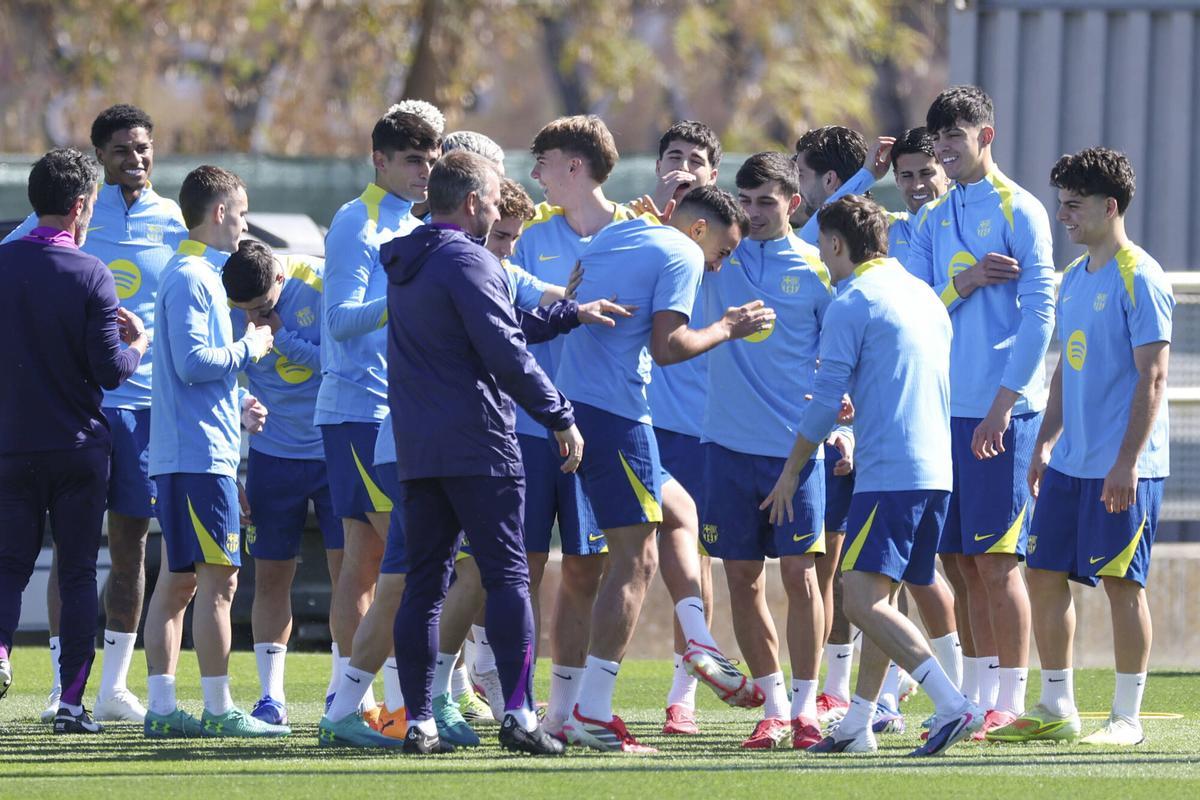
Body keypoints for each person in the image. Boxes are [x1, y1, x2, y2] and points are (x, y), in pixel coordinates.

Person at [555, 185, 772, 753]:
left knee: (681, 510)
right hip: (615, 411)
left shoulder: (621, 232)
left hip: (578, 402)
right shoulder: (680, 253)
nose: (718, 265)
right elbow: (669, 345)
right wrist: (728, 327)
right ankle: (594, 712)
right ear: (698, 230)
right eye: (722, 252)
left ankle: (698, 642)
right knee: (635, 558)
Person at [764, 194, 981, 756]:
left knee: (858, 600)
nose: (822, 259)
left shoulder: (851, 300)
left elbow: (822, 402)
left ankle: (953, 705)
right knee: (879, 598)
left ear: (836, 244)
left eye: (822, 248)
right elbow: (898, 377)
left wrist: (791, 473)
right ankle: (859, 722)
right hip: (936, 470)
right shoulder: (922, 295)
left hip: (891, 473)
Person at [386, 150, 580, 756]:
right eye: (494, 200)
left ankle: (417, 721)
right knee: (507, 578)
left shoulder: (407, 259)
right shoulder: (470, 259)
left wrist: (560, 317)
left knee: (424, 584)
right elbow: (505, 350)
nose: (498, 210)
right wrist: (559, 415)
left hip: (419, 447)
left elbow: (492, 327)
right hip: (480, 445)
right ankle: (520, 716)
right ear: (471, 203)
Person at [2, 104, 187, 724]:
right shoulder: (70, 211)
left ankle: (111, 686)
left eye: (144, 147)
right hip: (80, 407)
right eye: (122, 150)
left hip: (141, 409)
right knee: (72, 553)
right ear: (98, 160)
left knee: (129, 548)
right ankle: (64, 684)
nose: (135, 158)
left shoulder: (174, 220)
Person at [989, 148, 1173, 747]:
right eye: (1060, 204)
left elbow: (1153, 377)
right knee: (1042, 570)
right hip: (1070, 464)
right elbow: (1066, 371)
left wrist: (1126, 463)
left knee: (1123, 584)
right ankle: (1057, 705)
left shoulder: (1139, 274)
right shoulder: (1072, 280)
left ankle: (1126, 718)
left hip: (1125, 467)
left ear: (1109, 206)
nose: (1063, 216)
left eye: (1074, 205)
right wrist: (1045, 442)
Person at [906, 85, 1056, 737]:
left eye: (955, 138)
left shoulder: (1021, 209)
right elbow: (913, 310)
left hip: (1003, 414)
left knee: (996, 562)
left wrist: (1005, 403)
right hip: (943, 413)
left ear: (985, 137)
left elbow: (1041, 313)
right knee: (958, 562)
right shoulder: (931, 221)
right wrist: (962, 283)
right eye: (938, 138)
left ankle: (1011, 700)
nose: (944, 149)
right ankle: (974, 695)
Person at [140, 166, 286, 739]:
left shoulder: (189, 273)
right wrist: (249, 348)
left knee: (178, 584)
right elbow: (194, 362)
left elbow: (193, 372)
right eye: (243, 212)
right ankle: (220, 709)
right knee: (218, 580)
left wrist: (239, 400)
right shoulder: (196, 276)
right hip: (199, 460)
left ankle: (160, 708)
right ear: (220, 213)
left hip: (189, 453)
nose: (245, 224)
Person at [701, 152, 838, 750]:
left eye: (767, 202)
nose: (754, 213)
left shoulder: (816, 268)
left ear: (794, 204)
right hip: (725, 446)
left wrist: (844, 419)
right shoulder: (714, 258)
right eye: (746, 201)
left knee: (803, 578)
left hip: (793, 454)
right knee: (741, 580)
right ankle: (775, 706)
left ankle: (809, 706)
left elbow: (843, 354)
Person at [515, 116, 642, 736]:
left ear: (573, 166)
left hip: (600, 424)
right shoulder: (529, 237)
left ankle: (565, 711)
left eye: (543, 162)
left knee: (587, 569)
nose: (534, 175)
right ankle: (507, 693)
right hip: (527, 426)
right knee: (520, 567)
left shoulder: (635, 234)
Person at [315, 108, 439, 727]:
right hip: (360, 411)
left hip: (388, 412)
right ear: (380, 162)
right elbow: (337, 320)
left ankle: (352, 701)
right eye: (413, 160)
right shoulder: (354, 221)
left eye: (431, 160)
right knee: (406, 561)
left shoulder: (409, 222)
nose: (425, 172)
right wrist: (403, 298)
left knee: (365, 562)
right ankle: (392, 702)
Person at [221, 241, 340, 727]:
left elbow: (338, 361)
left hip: (336, 450)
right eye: (245, 312)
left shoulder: (322, 281)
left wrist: (280, 336)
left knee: (350, 575)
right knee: (270, 578)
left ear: (281, 280)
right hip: (272, 458)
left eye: (264, 307)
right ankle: (271, 698)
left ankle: (345, 692)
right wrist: (234, 450)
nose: (254, 318)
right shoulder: (228, 302)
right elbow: (220, 380)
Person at [643, 120, 724, 735]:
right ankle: (578, 693)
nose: (685, 167)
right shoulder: (637, 231)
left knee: (696, 557)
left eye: (698, 159)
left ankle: (686, 693)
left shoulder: (726, 243)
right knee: (621, 557)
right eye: (675, 156)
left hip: (703, 428)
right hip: (639, 421)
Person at [792, 126, 894, 245]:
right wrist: (866, 176)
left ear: (829, 180)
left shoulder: (899, 228)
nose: (794, 185)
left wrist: (867, 176)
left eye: (800, 175)